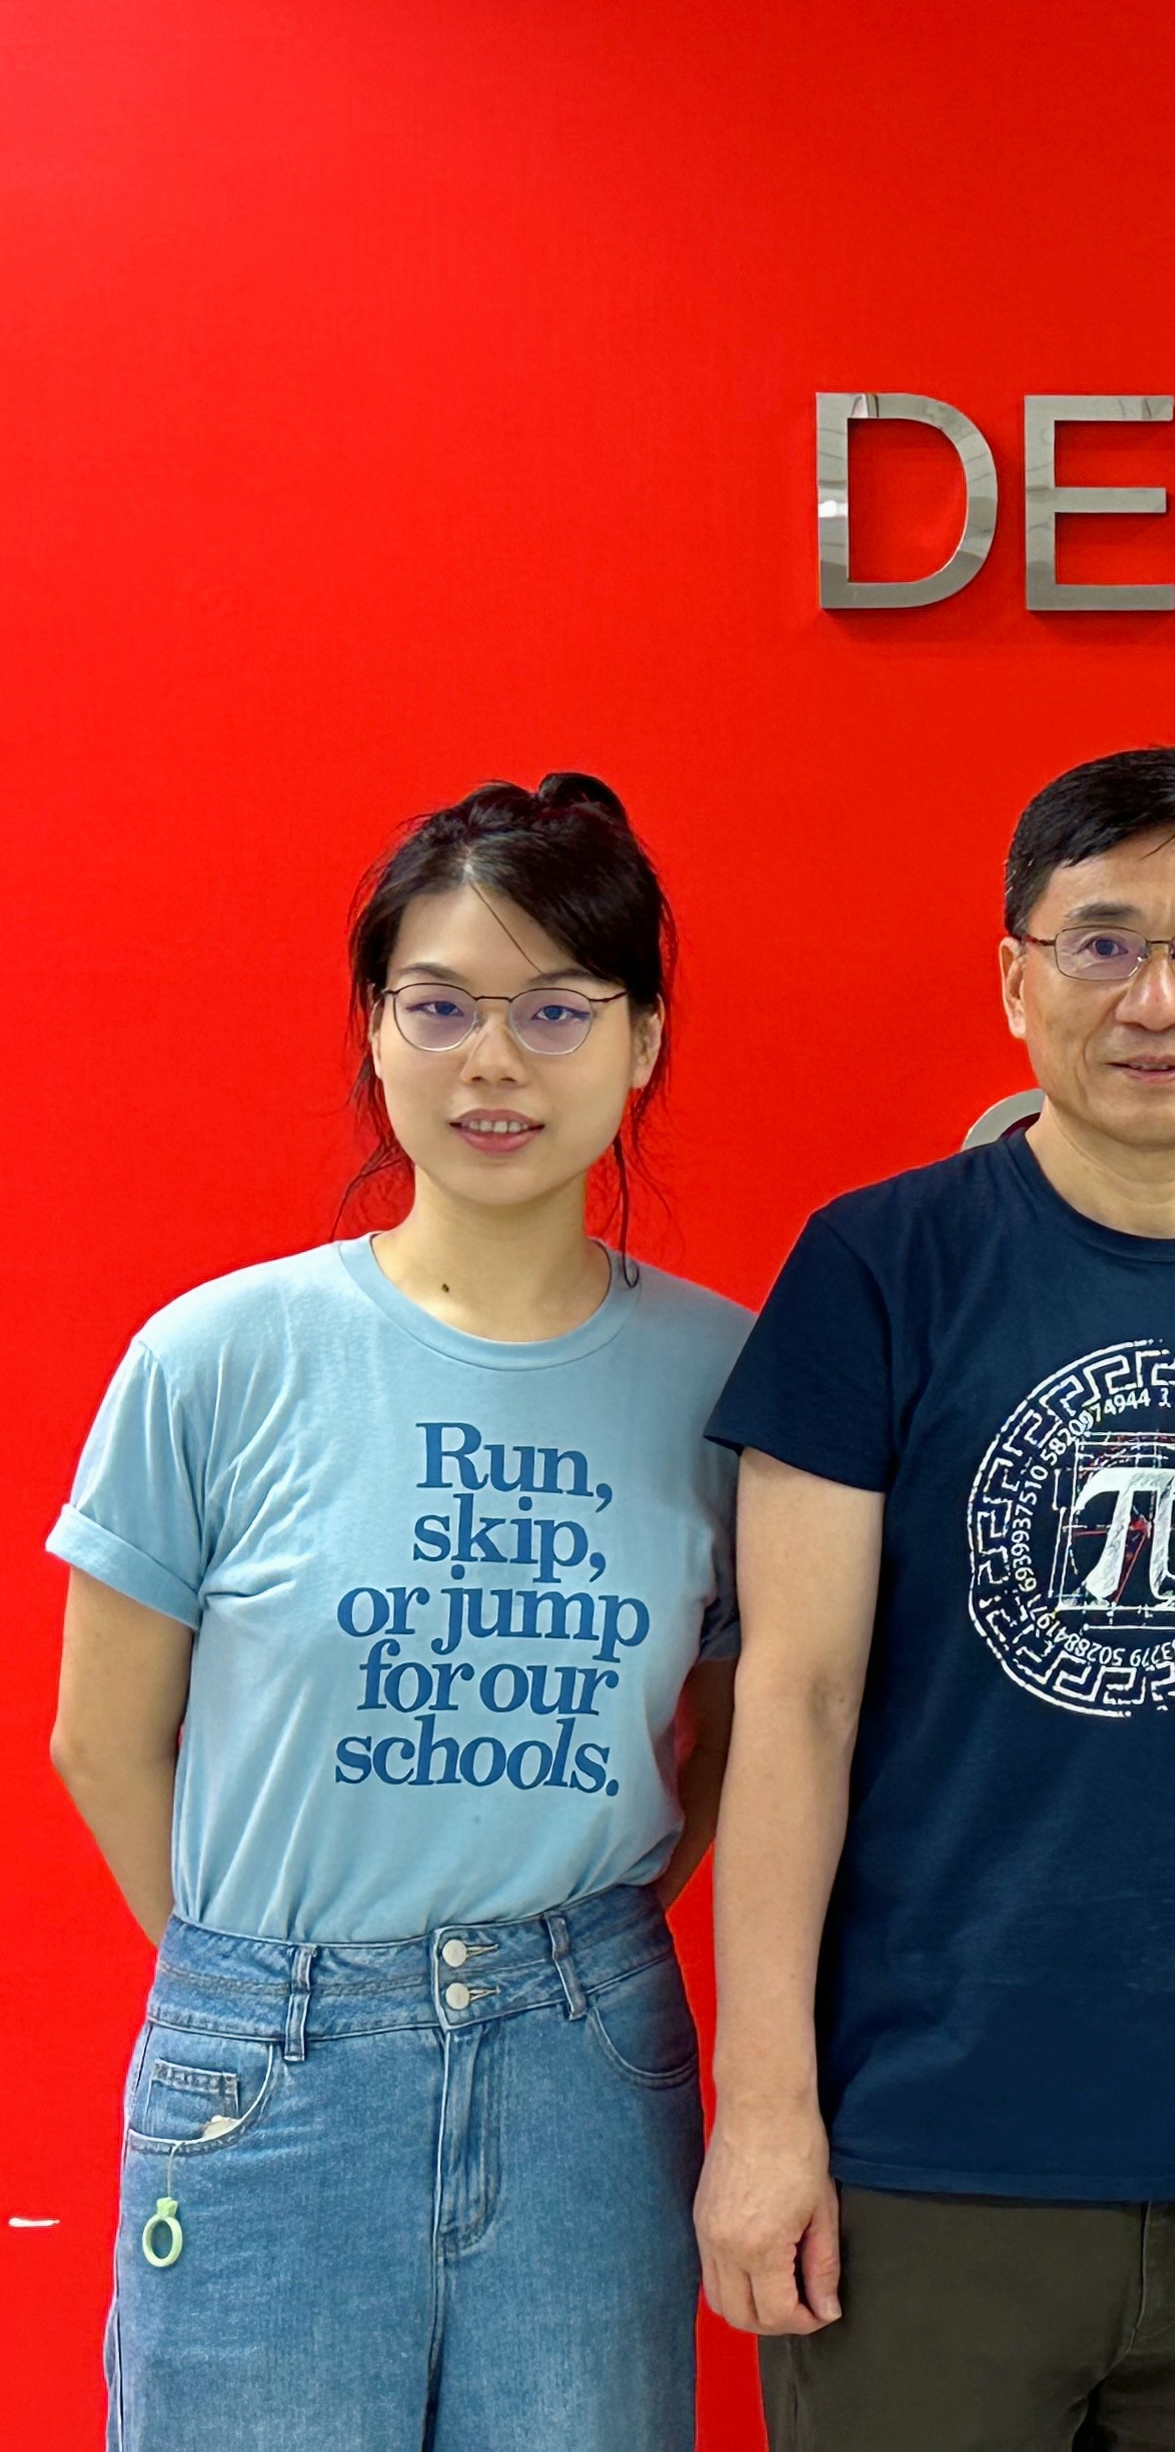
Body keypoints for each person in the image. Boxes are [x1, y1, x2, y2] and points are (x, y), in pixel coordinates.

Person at [693, 745, 1175, 2452]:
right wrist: (764, 2111)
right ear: (1014, 975)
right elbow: (795, 1702)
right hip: (929, 2157)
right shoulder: (873, 1267)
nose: (1155, 997)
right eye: (1101, 941)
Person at [46, 774, 742, 2452]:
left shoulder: (725, 1378)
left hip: (586, 2061)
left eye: (557, 1009)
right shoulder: (218, 1355)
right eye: (438, 1006)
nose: (492, 1061)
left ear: (641, 1039)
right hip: (269, 2074)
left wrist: (565, 1942)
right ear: (374, 1029)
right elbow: (102, 1733)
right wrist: (266, 1990)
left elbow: (742, 1727)